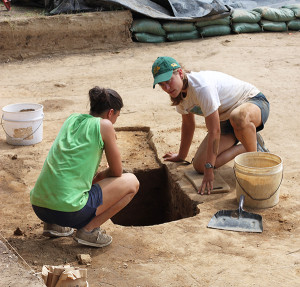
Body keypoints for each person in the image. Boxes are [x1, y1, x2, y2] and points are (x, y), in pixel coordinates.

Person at [30, 87, 139, 247]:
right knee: (132, 182)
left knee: (66, 179)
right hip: (69, 212)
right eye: (117, 116)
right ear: (110, 113)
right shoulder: (105, 126)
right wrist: (101, 176)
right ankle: (89, 230)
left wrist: (96, 179)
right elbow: (117, 172)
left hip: (39, 206)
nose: (115, 120)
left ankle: (54, 226)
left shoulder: (72, 119)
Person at [151, 56, 270, 195]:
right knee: (199, 165)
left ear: (180, 73)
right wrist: (181, 156)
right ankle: (253, 144)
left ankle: (254, 161)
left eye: (169, 81)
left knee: (238, 117)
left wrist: (209, 169)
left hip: (253, 103)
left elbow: (214, 130)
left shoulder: (201, 87)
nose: (167, 87)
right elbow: (188, 125)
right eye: (161, 85)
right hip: (226, 121)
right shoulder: (180, 96)